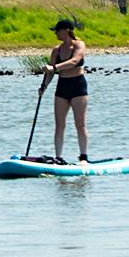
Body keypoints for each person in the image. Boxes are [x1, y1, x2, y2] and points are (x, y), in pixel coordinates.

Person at [39, 18, 90, 163]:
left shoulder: (79, 45)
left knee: (80, 124)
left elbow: (74, 61)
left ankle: (83, 157)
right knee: (59, 124)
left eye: (57, 30)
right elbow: (49, 72)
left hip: (78, 86)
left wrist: (54, 68)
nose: (55, 33)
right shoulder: (57, 50)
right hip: (62, 86)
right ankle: (59, 158)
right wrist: (44, 87)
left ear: (66, 30)